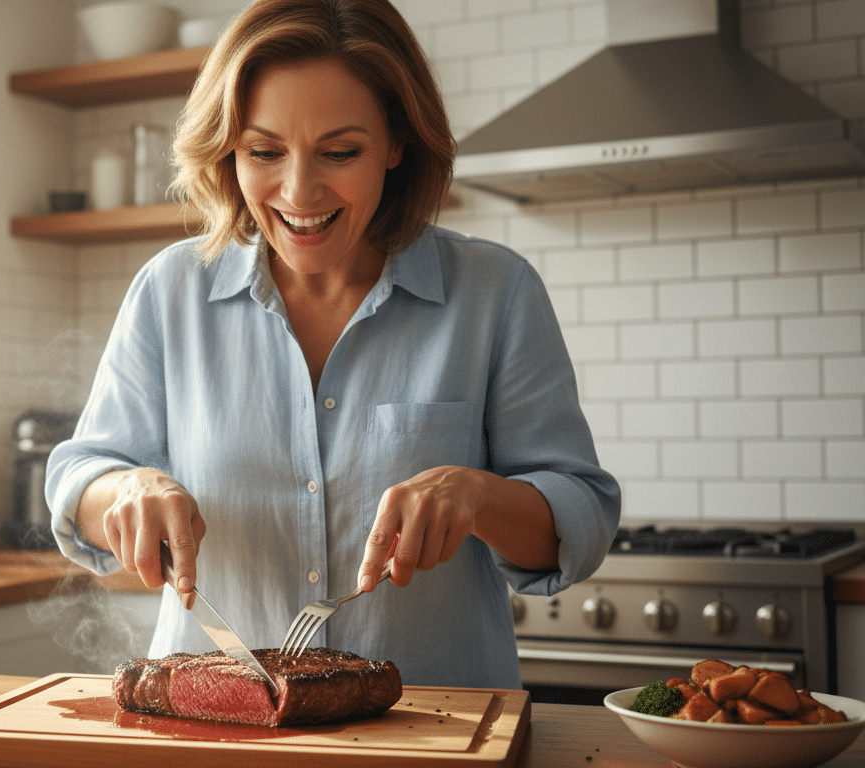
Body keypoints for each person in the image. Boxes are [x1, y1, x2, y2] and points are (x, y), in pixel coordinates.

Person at [46, 0, 619, 689]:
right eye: (264, 152)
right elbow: (79, 475)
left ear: (397, 143)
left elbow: (579, 517)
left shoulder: (496, 292)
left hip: (434, 737)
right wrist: (123, 489)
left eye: (340, 152)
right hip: (220, 734)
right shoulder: (171, 290)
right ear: (230, 149)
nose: (298, 191)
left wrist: (478, 497)